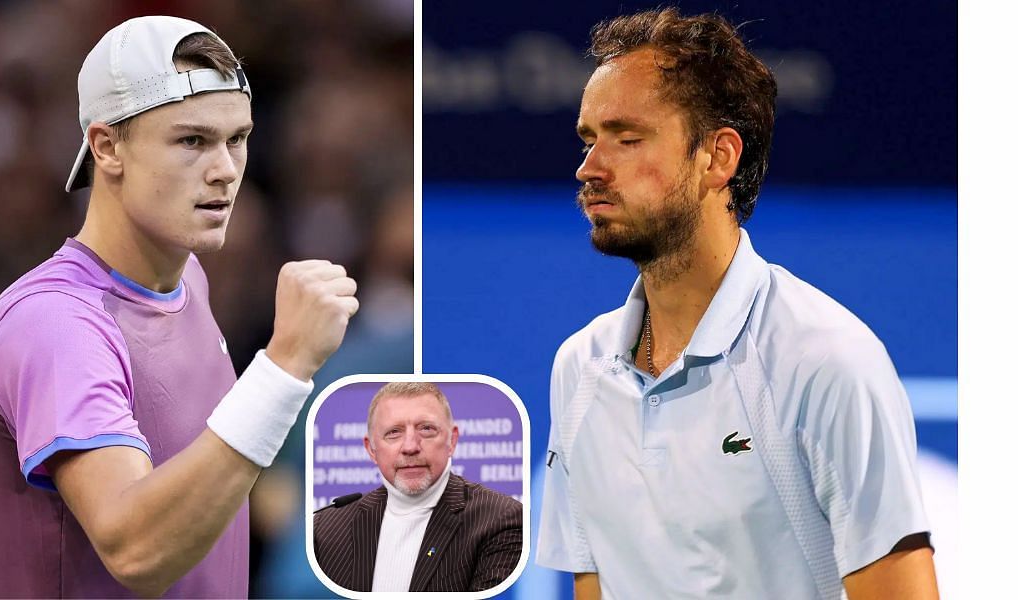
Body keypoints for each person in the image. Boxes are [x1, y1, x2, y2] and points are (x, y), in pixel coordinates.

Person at [535, 8, 937, 600]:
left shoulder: (826, 360)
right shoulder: (579, 367)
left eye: (625, 138)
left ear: (718, 157)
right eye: (590, 140)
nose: (589, 168)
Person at [0, 16, 359, 598]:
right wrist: (285, 366)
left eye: (238, 138)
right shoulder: (56, 322)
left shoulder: (188, 279)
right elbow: (137, 549)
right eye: (191, 140)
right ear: (105, 147)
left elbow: (202, 475)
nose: (225, 169)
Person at [312, 382, 522, 592]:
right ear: (371, 449)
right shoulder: (325, 528)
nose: (410, 447)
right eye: (394, 432)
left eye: (426, 429)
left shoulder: (500, 519)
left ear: (452, 440)